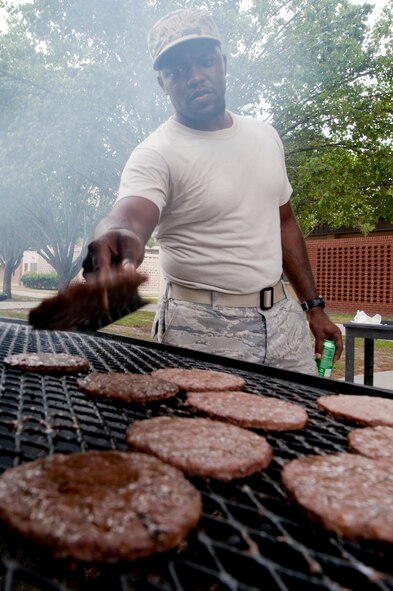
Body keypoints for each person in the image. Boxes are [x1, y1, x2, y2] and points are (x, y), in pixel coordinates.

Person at [82, 8, 343, 374]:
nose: (195, 77)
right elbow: (131, 214)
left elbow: (283, 222)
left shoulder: (266, 136)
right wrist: (118, 237)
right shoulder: (156, 153)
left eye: (204, 62)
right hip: (201, 328)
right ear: (162, 82)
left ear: (223, 62)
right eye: (177, 71)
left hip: (284, 324)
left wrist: (313, 307)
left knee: (298, 420)